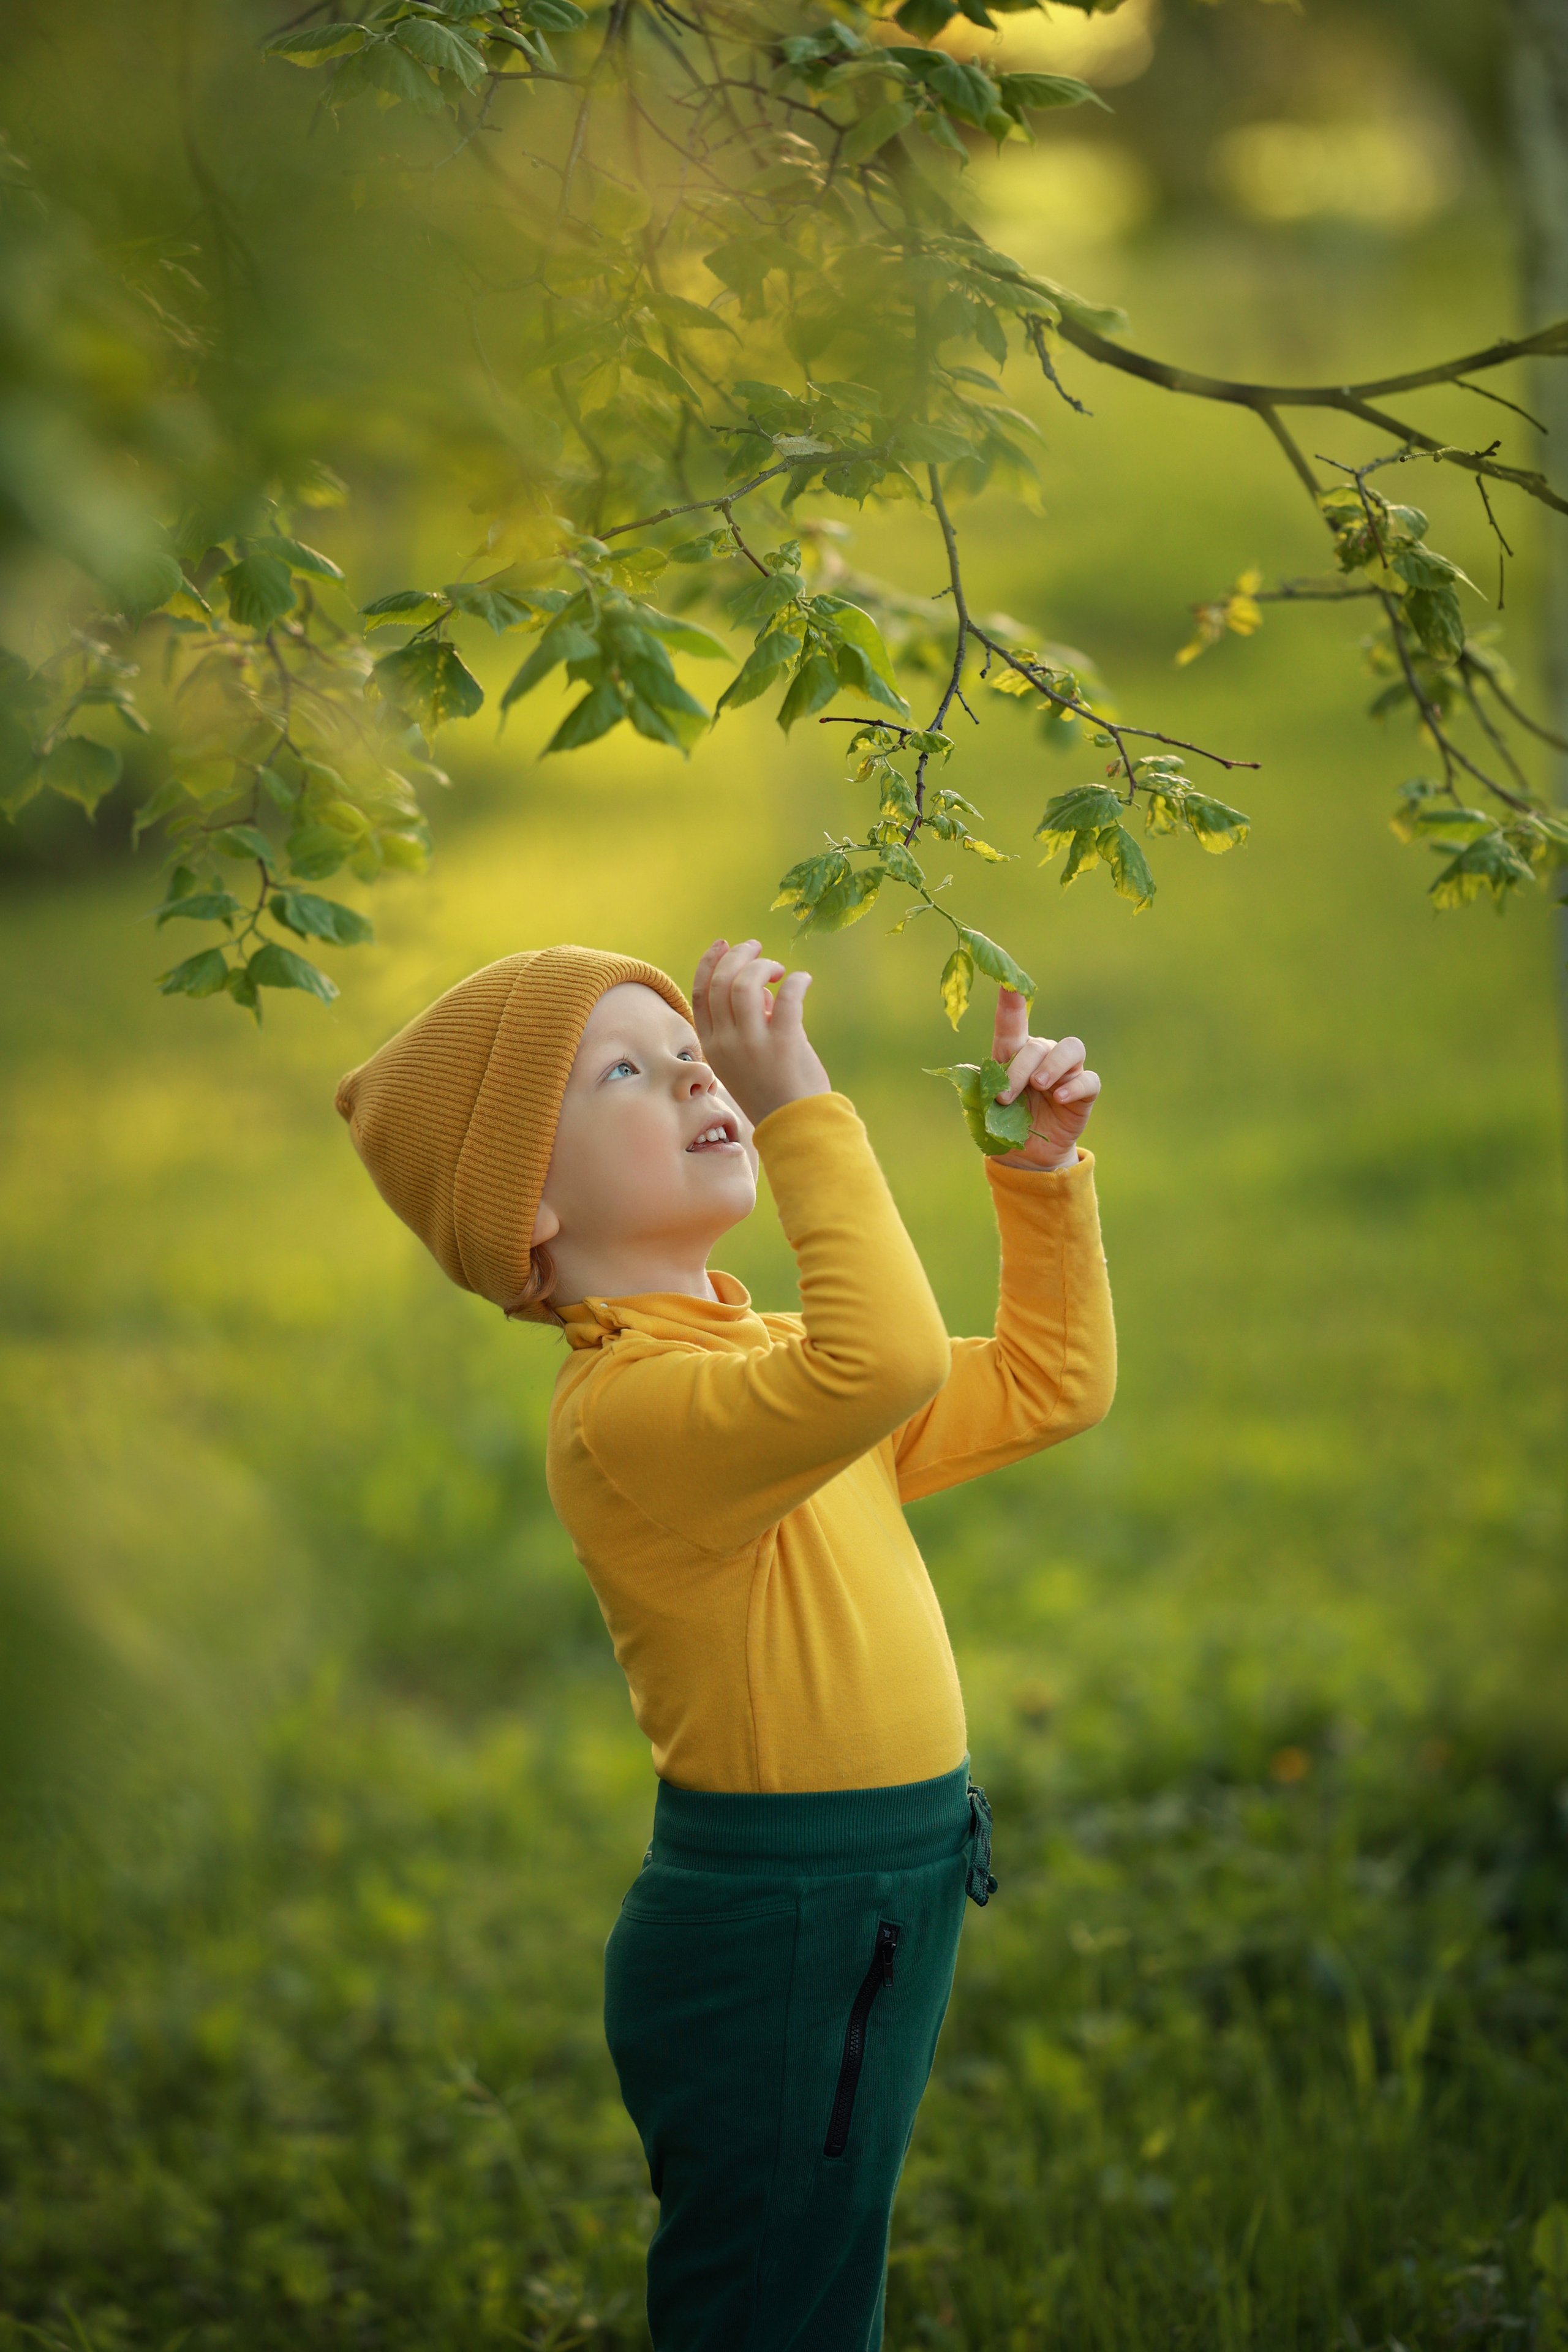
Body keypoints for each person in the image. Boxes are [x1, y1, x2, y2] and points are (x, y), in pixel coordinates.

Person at [335, 935, 1116, 2351]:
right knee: (771, 2305)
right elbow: (874, 1366)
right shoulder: (627, 1415)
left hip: (881, 1885)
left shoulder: (760, 1368)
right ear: (524, 1214)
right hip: (785, 1919)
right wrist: (804, 1104)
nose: (699, 1072)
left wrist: (1038, 1178)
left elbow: (1047, 1386)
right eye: (624, 1070)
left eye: (689, 1050)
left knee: (821, 2273)